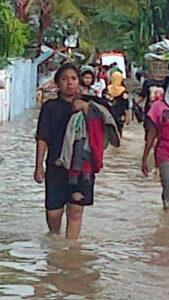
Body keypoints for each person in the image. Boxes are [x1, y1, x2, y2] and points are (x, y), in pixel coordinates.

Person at [34, 63, 102, 240]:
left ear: (79, 82)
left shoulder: (91, 105)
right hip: (56, 165)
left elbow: (108, 127)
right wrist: (38, 166)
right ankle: (54, 239)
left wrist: (87, 109)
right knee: (53, 213)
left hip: (82, 167)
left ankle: (70, 252)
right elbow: (42, 137)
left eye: (73, 78)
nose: (69, 83)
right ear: (57, 83)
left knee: (76, 211)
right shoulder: (50, 107)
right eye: (64, 79)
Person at [139, 72, 169, 139]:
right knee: (149, 131)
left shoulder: (168, 82)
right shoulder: (148, 82)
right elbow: (142, 96)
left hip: (163, 113)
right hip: (150, 112)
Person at [103, 71, 130, 135]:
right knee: (119, 129)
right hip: (120, 113)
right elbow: (125, 104)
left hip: (108, 112)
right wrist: (127, 116)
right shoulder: (123, 91)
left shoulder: (107, 90)